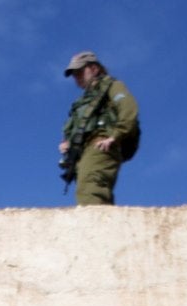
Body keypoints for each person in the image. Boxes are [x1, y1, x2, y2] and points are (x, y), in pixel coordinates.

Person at [58, 50, 140, 206]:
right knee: (93, 193)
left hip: (100, 144)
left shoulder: (112, 86)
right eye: (74, 74)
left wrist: (115, 135)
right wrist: (68, 144)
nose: (77, 77)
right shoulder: (84, 101)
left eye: (80, 71)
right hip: (84, 152)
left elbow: (128, 108)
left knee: (90, 190)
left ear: (94, 69)